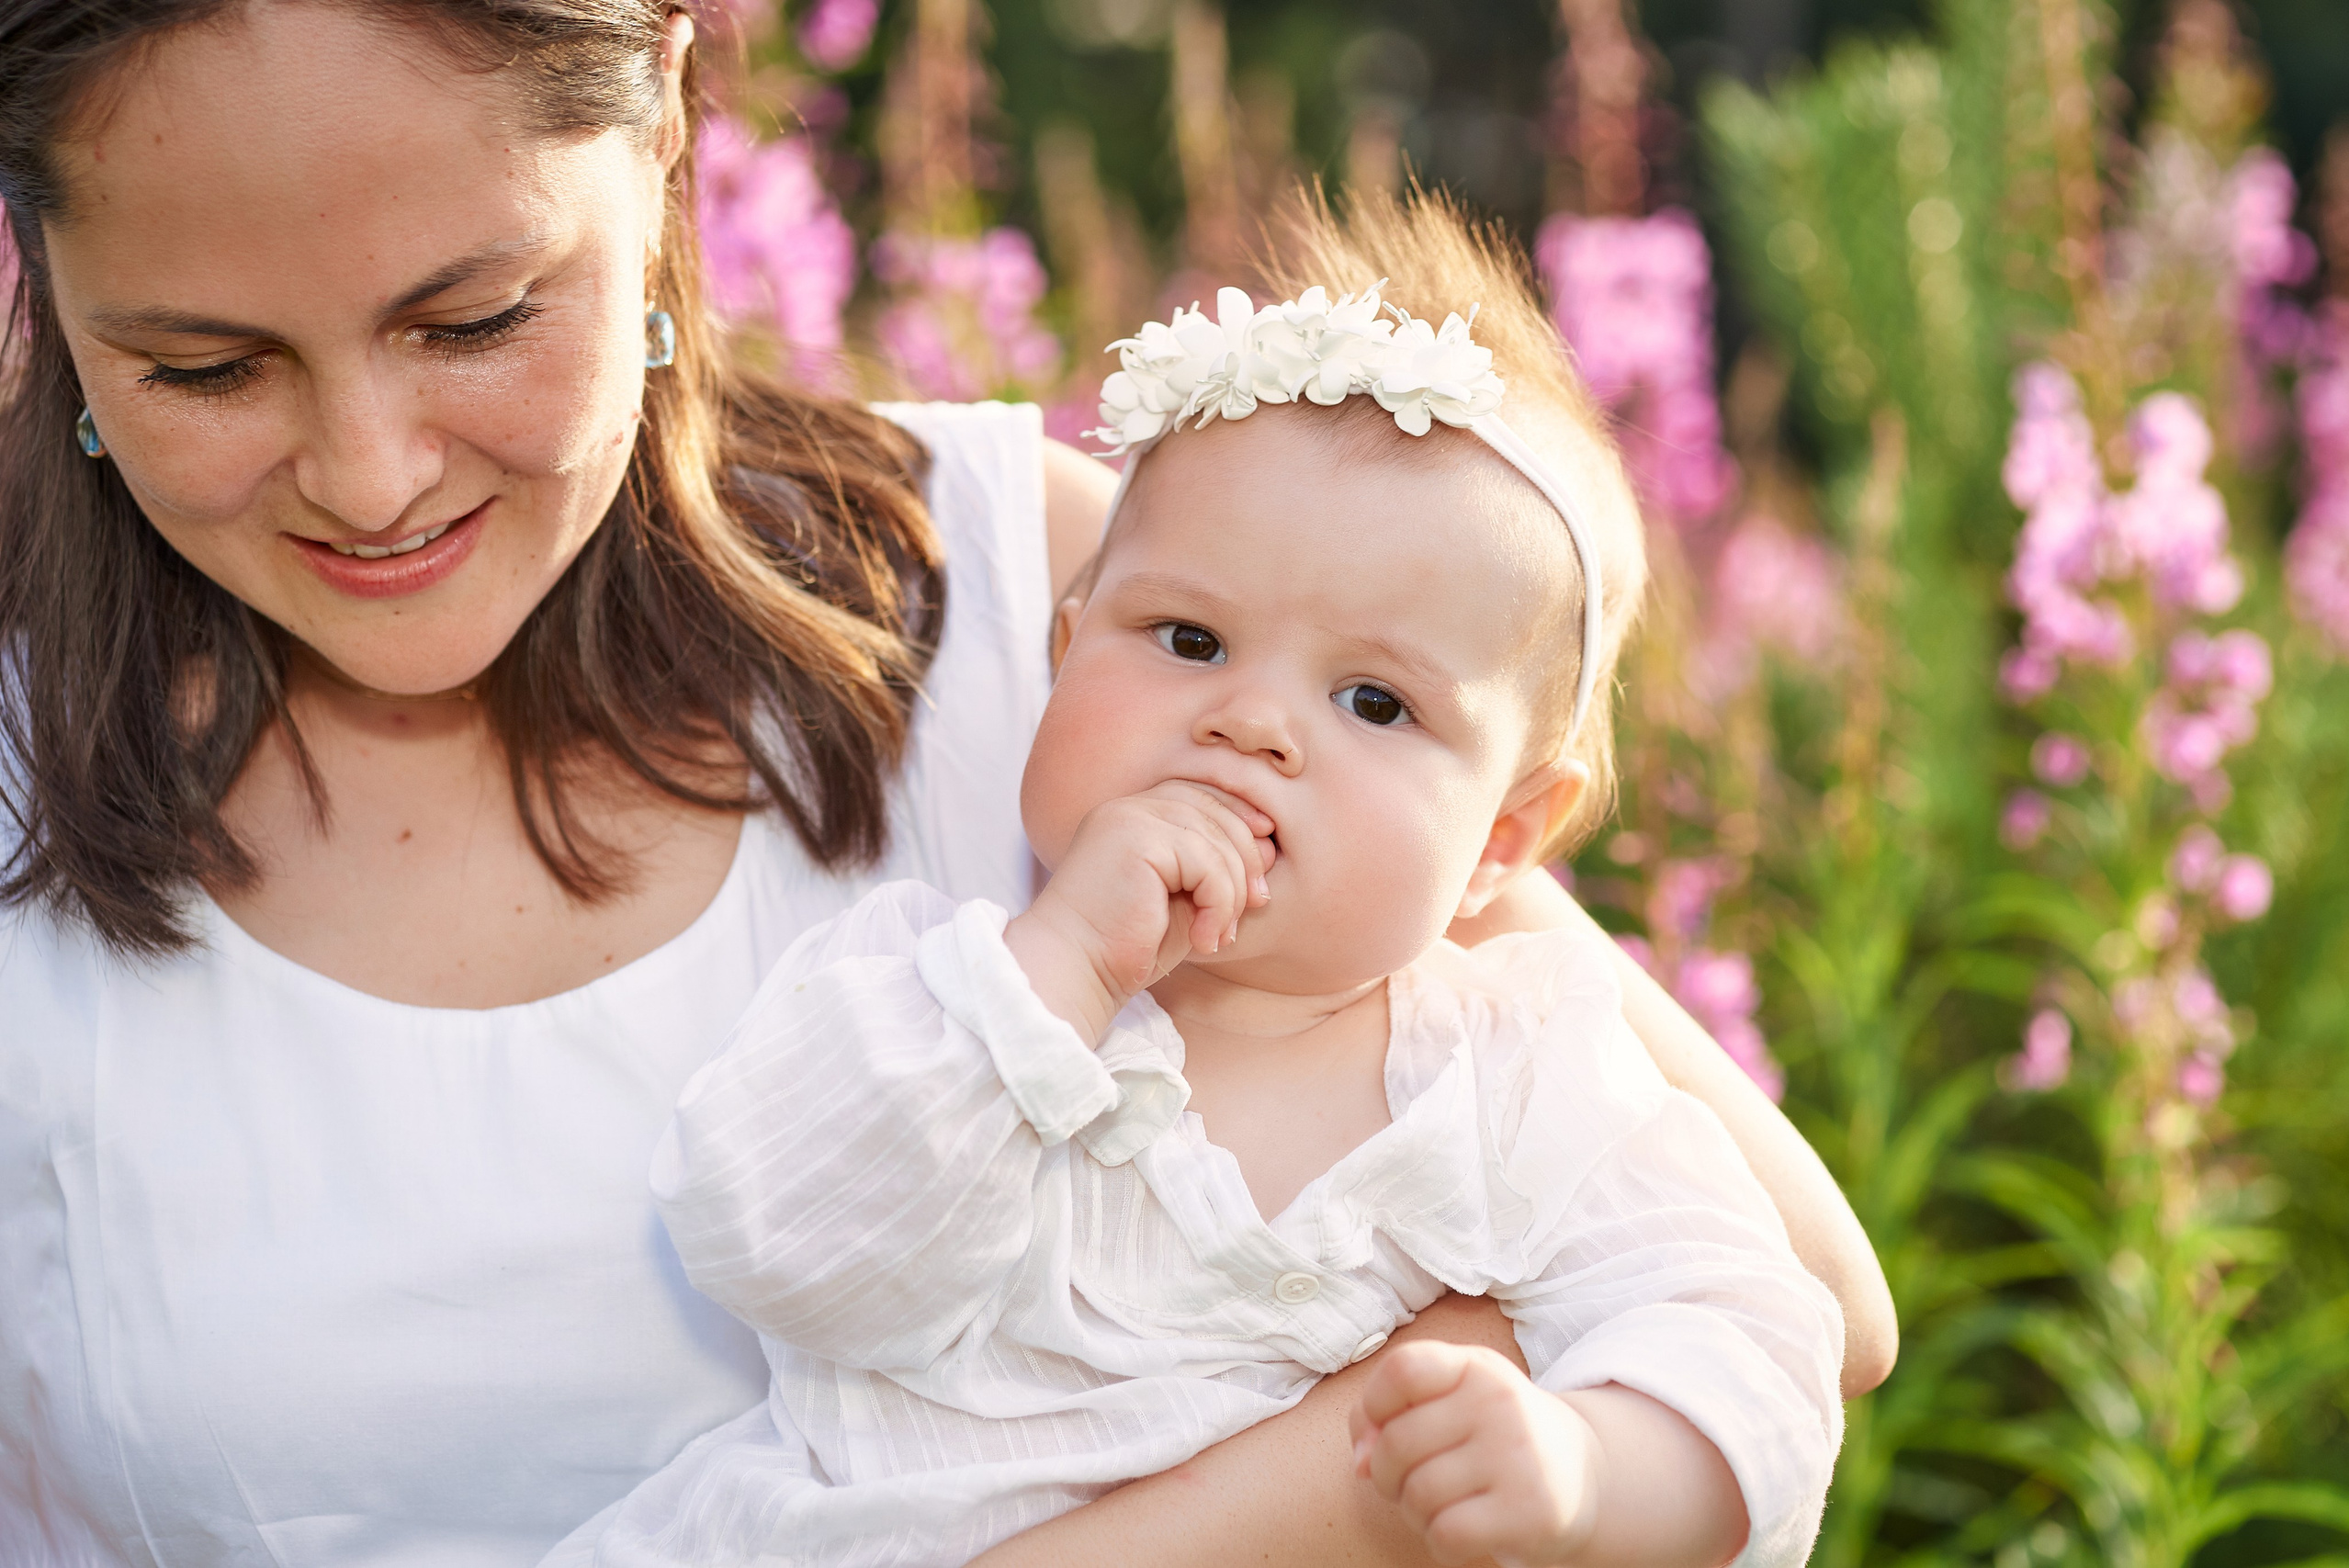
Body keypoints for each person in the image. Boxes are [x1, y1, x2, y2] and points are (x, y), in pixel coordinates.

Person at [0, 2, 1892, 1564]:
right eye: (204, 366)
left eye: (477, 318)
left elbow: (1795, 1301)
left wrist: (1479, 1463)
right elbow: (795, 1225)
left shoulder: (1106, 592)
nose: (372, 470)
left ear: (669, 106)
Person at [555, 197, 1842, 1568]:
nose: (1253, 724)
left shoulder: (1528, 1080)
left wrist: (1588, 1468)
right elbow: (784, 1249)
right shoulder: (937, 987)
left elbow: (1752, 1347)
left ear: (1508, 844)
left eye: (1374, 701)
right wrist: (1059, 974)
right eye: (1187, 637)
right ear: (1063, 650)